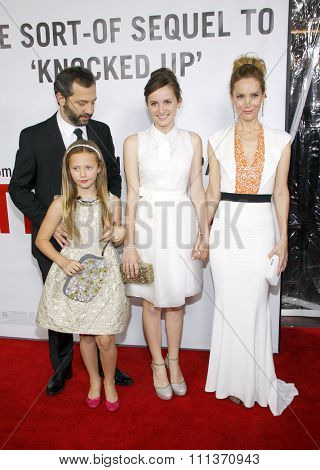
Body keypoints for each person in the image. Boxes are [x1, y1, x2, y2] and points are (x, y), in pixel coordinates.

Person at [9, 66, 133, 396]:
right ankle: (62, 370)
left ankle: (110, 369)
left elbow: (115, 179)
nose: (88, 110)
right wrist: (56, 222)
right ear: (60, 98)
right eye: (81, 103)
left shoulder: (101, 131)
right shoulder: (33, 136)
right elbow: (18, 188)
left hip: (98, 240)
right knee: (63, 306)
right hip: (58, 243)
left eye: (93, 101)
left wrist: (113, 213)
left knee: (101, 307)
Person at [205, 55, 298, 415]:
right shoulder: (216, 139)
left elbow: (280, 192)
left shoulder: (280, 141)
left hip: (261, 229)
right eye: (241, 96)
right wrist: (203, 231)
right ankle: (231, 382)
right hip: (226, 231)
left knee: (256, 307)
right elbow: (213, 193)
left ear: (263, 96)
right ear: (231, 96)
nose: (247, 104)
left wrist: (283, 237)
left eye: (254, 95)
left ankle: (255, 380)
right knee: (229, 307)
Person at [122, 68, 209, 400]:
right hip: (144, 231)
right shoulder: (133, 142)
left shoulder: (193, 140)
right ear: (147, 105)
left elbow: (198, 192)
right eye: (154, 103)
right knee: (149, 301)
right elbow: (132, 194)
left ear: (179, 102)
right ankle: (157, 363)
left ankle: (174, 361)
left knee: (176, 303)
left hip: (182, 229)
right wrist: (129, 245)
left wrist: (204, 234)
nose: (161, 110)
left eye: (167, 102)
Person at [36, 140, 130, 411]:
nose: (83, 173)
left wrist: (120, 232)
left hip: (105, 273)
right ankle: (94, 381)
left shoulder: (112, 202)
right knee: (86, 336)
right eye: (76, 168)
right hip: (75, 273)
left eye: (88, 167)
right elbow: (42, 240)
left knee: (106, 338)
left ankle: (109, 381)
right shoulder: (60, 204)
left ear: (99, 168)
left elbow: (117, 234)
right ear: (68, 171)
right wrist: (62, 260)